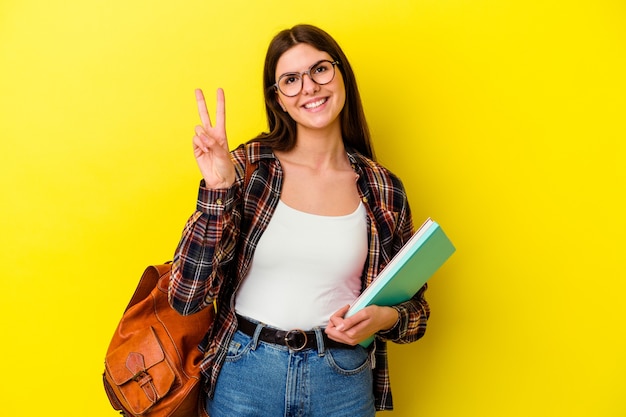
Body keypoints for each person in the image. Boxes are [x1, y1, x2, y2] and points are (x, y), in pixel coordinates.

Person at [168, 24, 430, 416]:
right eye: (291, 80)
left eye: (320, 70)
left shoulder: (383, 188)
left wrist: (382, 317)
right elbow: (186, 297)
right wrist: (218, 188)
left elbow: (417, 314)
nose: (308, 87)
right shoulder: (249, 167)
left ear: (341, 75)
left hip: (341, 379)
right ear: (279, 101)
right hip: (246, 374)